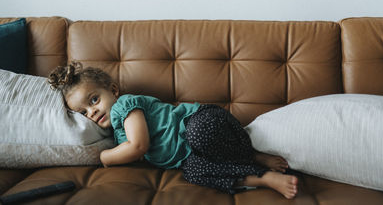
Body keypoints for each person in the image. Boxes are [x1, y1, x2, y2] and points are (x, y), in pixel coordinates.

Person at [48, 62, 298, 199]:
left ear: (113, 91)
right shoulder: (114, 131)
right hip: (187, 157)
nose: (91, 112)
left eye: (93, 100)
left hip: (197, 121)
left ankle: (253, 155)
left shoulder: (124, 106)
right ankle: (263, 178)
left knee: (201, 133)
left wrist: (103, 157)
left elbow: (138, 146)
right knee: (195, 172)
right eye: (83, 112)